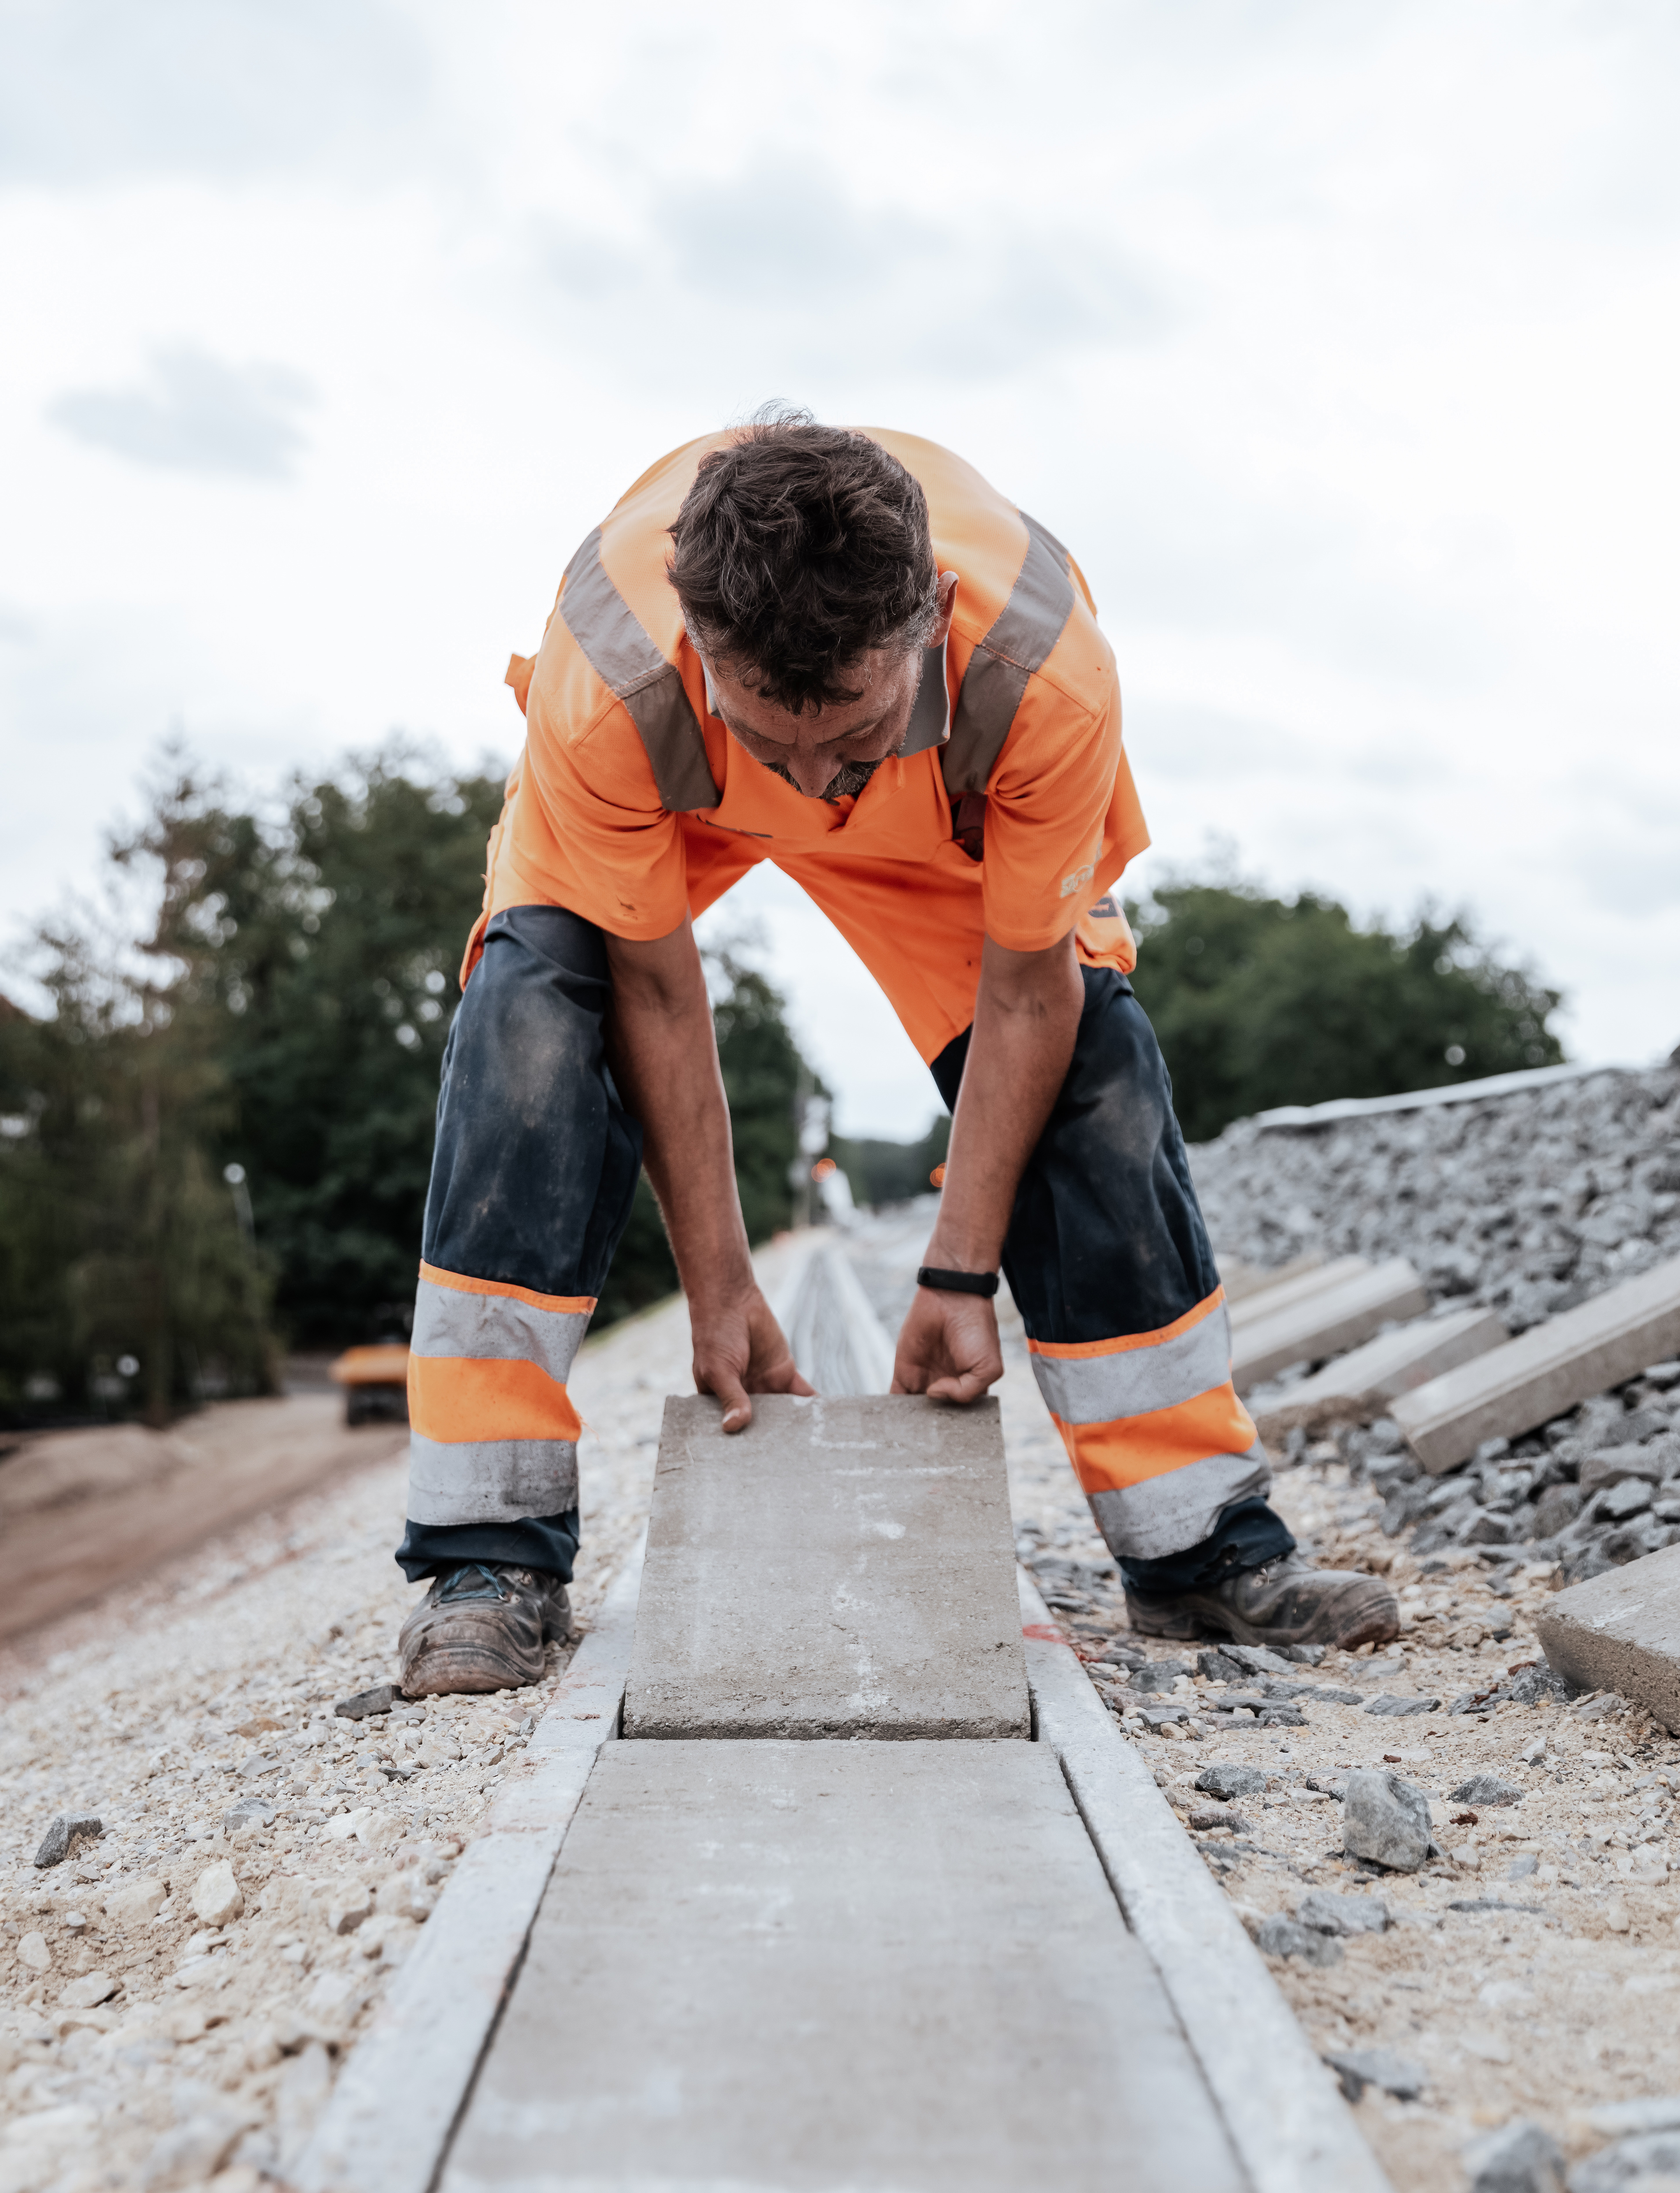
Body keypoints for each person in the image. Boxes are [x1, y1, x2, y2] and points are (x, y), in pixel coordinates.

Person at [396, 415, 1399, 1694]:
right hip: (680, 785)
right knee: (530, 1016)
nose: (814, 781)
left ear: (930, 620)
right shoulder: (612, 674)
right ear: (700, 640)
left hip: (941, 811)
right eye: (777, 736)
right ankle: (488, 1558)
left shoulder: (1043, 674)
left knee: (1098, 1070)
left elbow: (1028, 993)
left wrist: (960, 1273)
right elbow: (656, 991)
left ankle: (1199, 1544)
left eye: (849, 730)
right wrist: (720, 1286)